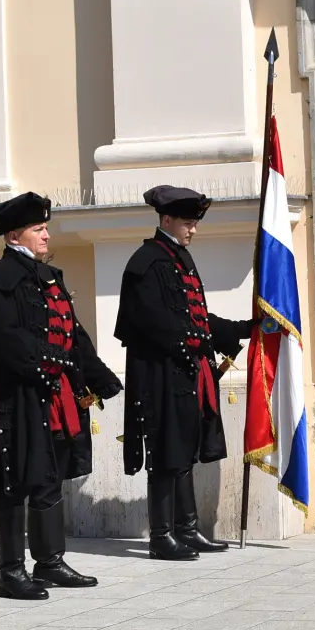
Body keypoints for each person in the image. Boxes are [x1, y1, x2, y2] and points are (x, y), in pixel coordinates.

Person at [0, 192, 123, 598]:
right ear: (14, 235)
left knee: (48, 478)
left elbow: (73, 335)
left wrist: (97, 374)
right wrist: (52, 361)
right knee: (14, 482)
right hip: (14, 399)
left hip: (52, 395)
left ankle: (50, 562)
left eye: (45, 228)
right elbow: (3, 343)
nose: (46, 235)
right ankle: (11, 572)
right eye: (38, 229)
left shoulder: (51, 279)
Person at [115, 186, 255, 561]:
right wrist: (200, 340)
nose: (193, 230)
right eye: (188, 222)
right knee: (164, 453)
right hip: (160, 374)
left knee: (183, 452)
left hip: (184, 372)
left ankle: (187, 529)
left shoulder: (178, 259)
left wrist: (241, 328)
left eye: (195, 223)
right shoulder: (147, 262)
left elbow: (195, 317)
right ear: (166, 220)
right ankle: (161, 536)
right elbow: (156, 324)